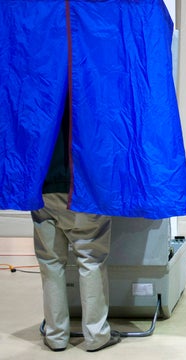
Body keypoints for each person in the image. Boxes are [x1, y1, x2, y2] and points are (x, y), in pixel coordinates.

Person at [32, 98, 120, 352]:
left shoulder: (41, 96)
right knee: (90, 260)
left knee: (50, 264)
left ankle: (56, 335)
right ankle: (96, 336)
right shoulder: (92, 99)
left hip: (44, 191)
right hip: (82, 192)